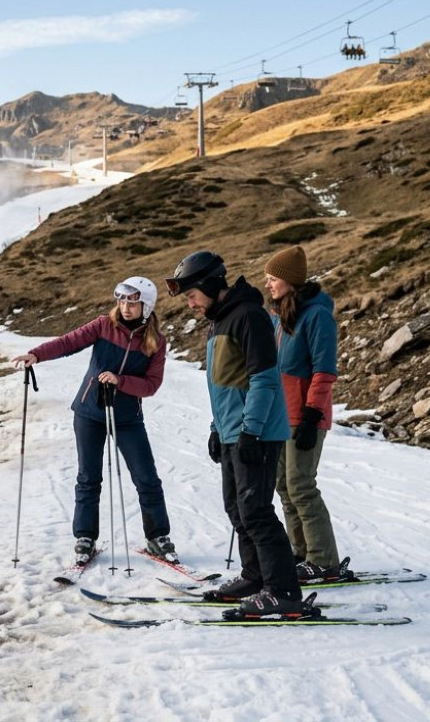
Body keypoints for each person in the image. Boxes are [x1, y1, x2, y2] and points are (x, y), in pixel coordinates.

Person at [165, 251, 305, 616]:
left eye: (192, 294)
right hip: (232, 431)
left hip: (255, 432)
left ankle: (283, 591)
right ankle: (256, 576)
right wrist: (217, 428)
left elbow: (264, 379)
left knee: (256, 510)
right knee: (238, 510)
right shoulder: (220, 321)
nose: (190, 303)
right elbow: (223, 385)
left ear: (211, 285)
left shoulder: (249, 317)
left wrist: (251, 432)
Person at [10, 276, 175, 563]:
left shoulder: (155, 343)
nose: (125, 307)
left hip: (127, 418)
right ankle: (85, 538)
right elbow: (68, 342)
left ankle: (157, 537)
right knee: (89, 478)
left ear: (146, 306)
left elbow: (151, 385)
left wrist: (120, 381)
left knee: (146, 478)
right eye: (122, 300)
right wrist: (36, 355)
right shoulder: (103, 325)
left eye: (133, 302)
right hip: (90, 413)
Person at [264, 245, 347, 582]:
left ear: (289, 280)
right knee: (284, 485)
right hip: (282, 416)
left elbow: (323, 370)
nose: (268, 284)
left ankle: (324, 560)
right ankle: (301, 554)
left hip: (306, 417)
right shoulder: (284, 316)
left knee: (301, 485)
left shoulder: (317, 316)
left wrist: (313, 415)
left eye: (273, 279)